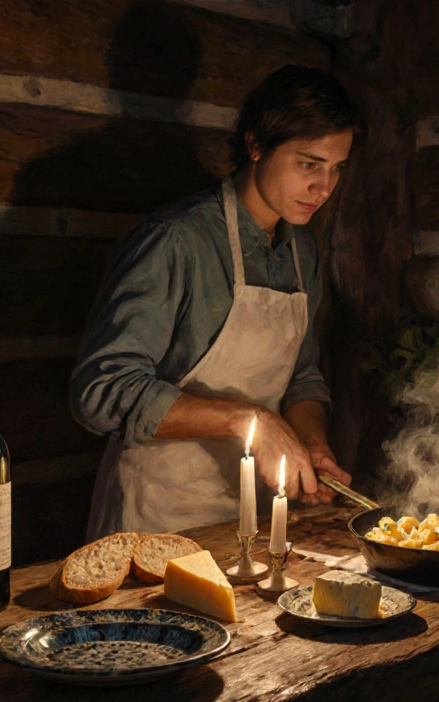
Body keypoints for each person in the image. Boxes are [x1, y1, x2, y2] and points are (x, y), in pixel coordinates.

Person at [72, 65, 360, 540]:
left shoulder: (301, 250)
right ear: (256, 146)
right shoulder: (175, 241)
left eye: (336, 169)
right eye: (309, 164)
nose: (324, 188)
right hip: (156, 518)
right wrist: (250, 421)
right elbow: (100, 392)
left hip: (255, 517)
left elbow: (302, 376)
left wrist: (310, 442)